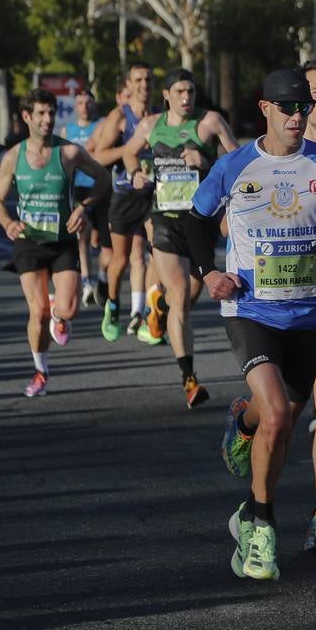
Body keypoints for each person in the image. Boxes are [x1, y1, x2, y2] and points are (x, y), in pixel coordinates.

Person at [186, 68, 316, 580]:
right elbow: (194, 220)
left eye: (303, 108)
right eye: (288, 107)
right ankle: (263, 528)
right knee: (276, 413)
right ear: (264, 107)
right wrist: (209, 273)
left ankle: (245, 475)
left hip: (309, 313)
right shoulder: (234, 166)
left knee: (281, 420)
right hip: (250, 309)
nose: (298, 116)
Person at [121, 67, 239, 407]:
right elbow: (130, 152)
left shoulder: (210, 122)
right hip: (164, 220)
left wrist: (206, 162)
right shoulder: (150, 126)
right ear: (167, 96)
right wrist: (134, 175)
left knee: (190, 293)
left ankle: (158, 309)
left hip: (199, 221)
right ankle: (189, 379)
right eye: (180, 91)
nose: (186, 97)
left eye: (190, 90)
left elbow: (238, 162)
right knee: (179, 292)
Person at [0, 89, 111, 396]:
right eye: (41, 113)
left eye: (52, 113)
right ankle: (40, 372)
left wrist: (84, 207)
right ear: (27, 117)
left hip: (62, 240)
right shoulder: (14, 158)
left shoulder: (69, 152)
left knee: (68, 309)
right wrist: (7, 222)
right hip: (28, 242)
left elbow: (104, 179)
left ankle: (60, 312)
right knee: (37, 312)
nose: (47, 119)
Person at [95, 65, 157, 342]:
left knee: (156, 252)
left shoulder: (159, 117)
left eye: (148, 79)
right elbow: (99, 157)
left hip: (153, 195)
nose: (144, 84)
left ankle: (147, 314)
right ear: (129, 86)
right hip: (123, 193)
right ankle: (112, 306)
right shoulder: (120, 116)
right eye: (138, 80)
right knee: (119, 259)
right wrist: (131, 148)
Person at [61, 89, 111, 307]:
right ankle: (86, 280)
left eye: (88, 102)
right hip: (77, 188)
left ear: (94, 104)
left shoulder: (102, 124)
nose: (84, 106)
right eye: (80, 103)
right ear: (75, 106)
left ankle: (101, 276)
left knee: (103, 242)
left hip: (99, 187)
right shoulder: (67, 129)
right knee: (83, 230)